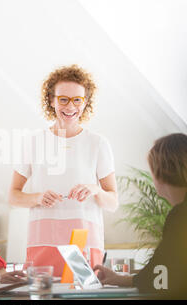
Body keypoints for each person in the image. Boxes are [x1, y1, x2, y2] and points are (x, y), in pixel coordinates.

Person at [9, 65, 119, 276]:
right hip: (43, 241)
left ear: (85, 102)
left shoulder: (98, 143)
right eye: (63, 99)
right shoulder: (33, 142)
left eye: (77, 99)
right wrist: (38, 197)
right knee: (44, 299)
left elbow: (113, 202)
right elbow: (14, 196)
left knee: (83, 297)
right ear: (51, 100)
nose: (71, 106)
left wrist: (95, 190)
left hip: (84, 242)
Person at [93, 133, 187, 298]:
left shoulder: (182, 216)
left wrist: (120, 279)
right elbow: (158, 272)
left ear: (160, 171)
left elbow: (161, 275)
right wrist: (118, 278)